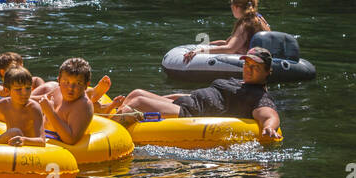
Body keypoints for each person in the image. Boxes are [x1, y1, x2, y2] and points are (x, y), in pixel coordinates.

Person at [112, 48, 282, 140]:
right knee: (137, 93)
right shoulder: (237, 82)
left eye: (255, 67)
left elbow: (269, 115)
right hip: (189, 102)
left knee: (139, 101)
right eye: (247, 64)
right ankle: (112, 115)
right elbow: (192, 94)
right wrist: (166, 99)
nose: (248, 69)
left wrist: (269, 128)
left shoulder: (259, 96)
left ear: (267, 72)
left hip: (194, 114)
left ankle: (110, 129)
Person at [182, 0, 271, 63]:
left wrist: (200, 51)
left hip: (251, 63)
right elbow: (230, 43)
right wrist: (209, 44)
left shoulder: (246, 23)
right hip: (265, 60)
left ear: (236, 6)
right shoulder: (259, 19)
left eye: (231, 4)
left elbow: (230, 48)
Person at [32, 57, 95, 145]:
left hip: (57, 147)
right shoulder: (58, 91)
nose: (70, 88)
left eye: (78, 83)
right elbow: (41, 100)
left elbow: (71, 139)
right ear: (59, 80)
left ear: (86, 85)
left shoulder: (83, 105)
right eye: (66, 82)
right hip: (41, 135)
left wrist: (51, 113)